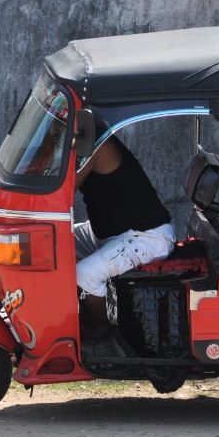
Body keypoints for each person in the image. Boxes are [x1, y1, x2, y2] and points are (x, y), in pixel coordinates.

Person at [75, 135, 175, 351]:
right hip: (107, 233)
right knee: (54, 245)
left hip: (145, 237)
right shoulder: (77, 143)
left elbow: (62, 188)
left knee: (84, 274)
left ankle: (104, 331)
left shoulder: (99, 146)